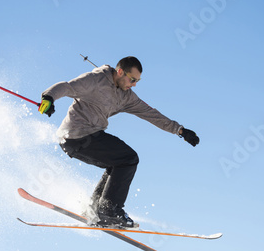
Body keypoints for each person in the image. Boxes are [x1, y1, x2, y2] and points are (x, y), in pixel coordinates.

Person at [38, 56, 199, 228]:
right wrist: (48, 97)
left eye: (138, 81)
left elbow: (150, 113)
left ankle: (94, 209)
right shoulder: (96, 80)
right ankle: (109, 211)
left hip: (90, 136)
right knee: (128, 159)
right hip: (76, 135)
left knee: (118, 164)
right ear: (120, 72)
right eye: (132, 79)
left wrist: (180, 130)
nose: (134, 84)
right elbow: (67, 86)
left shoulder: (126, 96)